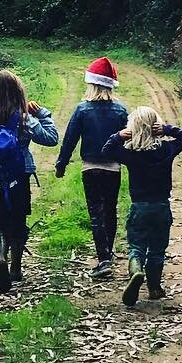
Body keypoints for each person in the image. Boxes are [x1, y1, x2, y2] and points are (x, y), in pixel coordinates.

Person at [0, 69, 59, 293]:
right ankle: (16, 268)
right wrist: (43, 114)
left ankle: (1, 257)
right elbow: (51, 139)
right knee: (18, 222)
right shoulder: (24, 118)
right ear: (18, 92)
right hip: (19, 178)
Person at [99, 105, 182, 307]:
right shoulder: (167, 150)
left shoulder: (131, 154)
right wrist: (167, 129)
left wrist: (119, 136)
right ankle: (154, 287)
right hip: (161, 207)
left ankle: (136, 270)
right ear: (155, 127)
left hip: (139, 207)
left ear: (133, 129)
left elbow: (106, 150)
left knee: (136, 245)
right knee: (158, 248)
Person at [54, 55, 130, 278]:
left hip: (90, 168)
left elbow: (69, 139)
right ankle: (109, 252)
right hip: (113, 167)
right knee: (110, 210)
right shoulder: (120, 110)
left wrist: (61, 164)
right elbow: (129, 139)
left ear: (91, 83)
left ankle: (103, 258)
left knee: (96, 213)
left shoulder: (82, 109)